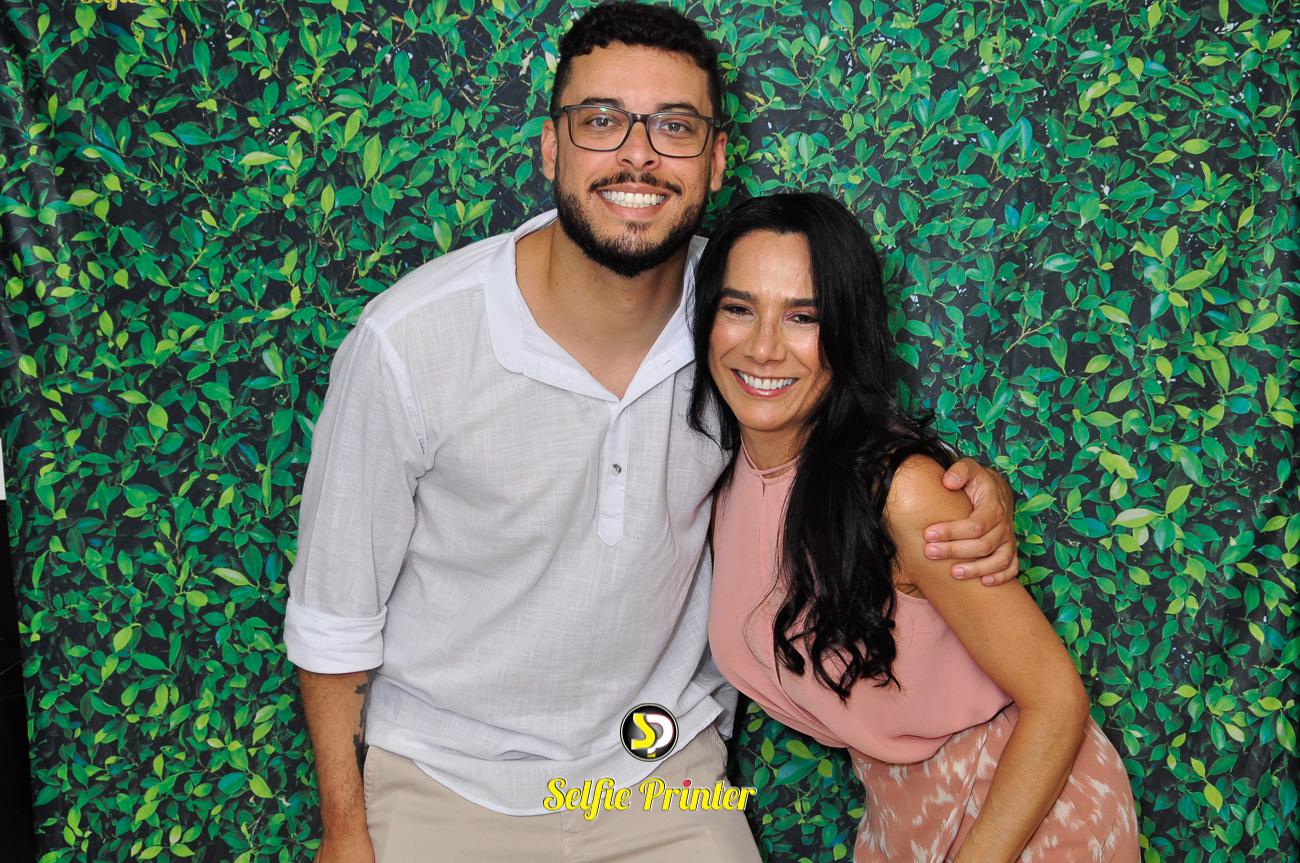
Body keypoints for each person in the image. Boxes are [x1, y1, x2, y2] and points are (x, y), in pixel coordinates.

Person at [283, 5, 1021, 862]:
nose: (638, 154)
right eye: (602, 120)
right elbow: (333, 613)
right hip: (443, 777)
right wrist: (345, 829)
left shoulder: (739, 316)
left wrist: (969, 486)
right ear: (551, 145)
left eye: (674, 126)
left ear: (715, 159)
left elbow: (840, 414)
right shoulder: (408, 342)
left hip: (659, 768)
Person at [692, 192, 1140, 862]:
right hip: (896, 812)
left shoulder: (903, 492)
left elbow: (1055, 700)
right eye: (739, 308)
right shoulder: (716, 480)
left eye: (804, 316)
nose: (762, 347)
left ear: (846, 333)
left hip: (1026, 809)